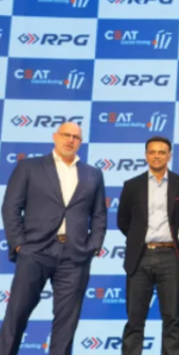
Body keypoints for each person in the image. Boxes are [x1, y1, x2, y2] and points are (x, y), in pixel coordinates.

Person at [0, 122, 107, 355]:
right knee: (17, 314)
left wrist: (93, 245)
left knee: (67, 323)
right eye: (66, 135)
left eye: (76, 137)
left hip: (75, 256)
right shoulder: (29, 167)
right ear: (55, 137)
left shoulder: (93, 174)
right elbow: (11, 207)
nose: (70, 140)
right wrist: (19, 244)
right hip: (35, 251)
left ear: (80, 142)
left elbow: (99, 214)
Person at [118, 136, 179, 355]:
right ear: (146, 156)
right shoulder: (132, 185)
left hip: (171, 256)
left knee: (172, 318)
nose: (157, 156)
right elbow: (123, 221)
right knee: (134, 319)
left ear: (169, 156)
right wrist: (139, 239)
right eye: (152, 152)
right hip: (140, 256)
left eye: (162, 152)